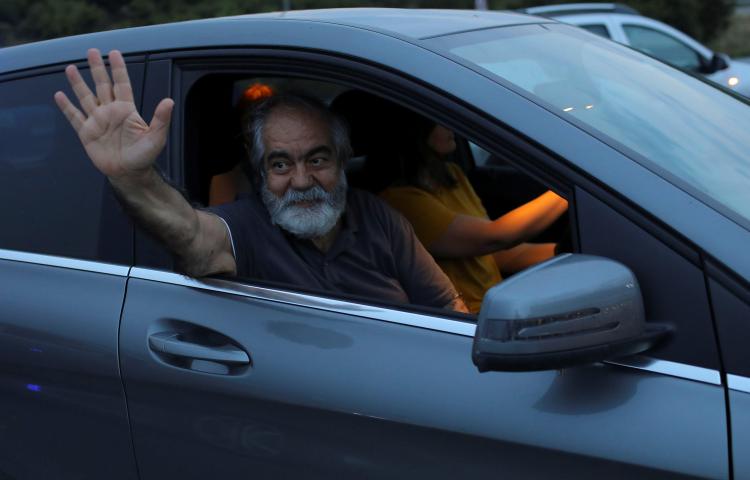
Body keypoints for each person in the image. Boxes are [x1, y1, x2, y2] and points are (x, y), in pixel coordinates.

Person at [54, 48, 468, 313]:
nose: (302, 180)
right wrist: (133, 177)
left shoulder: (378, 217)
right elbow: (192, 237)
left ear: (343, 160)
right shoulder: (244, 227)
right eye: (281, 165)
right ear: (261, 173)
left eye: (317, 158)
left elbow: (448, 307)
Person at [379, 113, 568, 313]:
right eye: (437, 119)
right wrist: (567, 189)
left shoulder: (452, 175)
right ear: (414, 129)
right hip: (465, 320)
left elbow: (497, 255)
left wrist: (567, 251)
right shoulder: (401, 202)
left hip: (497, 305)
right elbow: (495, 237)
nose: (448, 123)